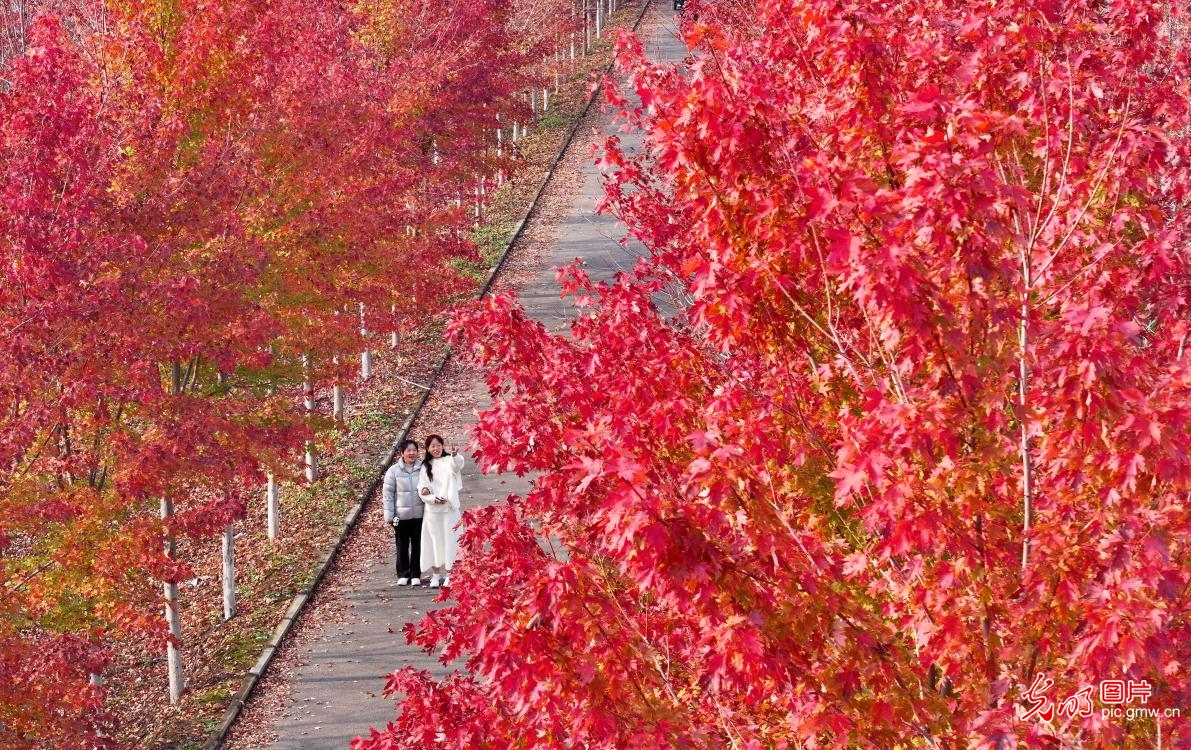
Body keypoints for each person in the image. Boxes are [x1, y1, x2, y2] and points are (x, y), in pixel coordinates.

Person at [417, 434, 464, 588]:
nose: (436, 448)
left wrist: (455, 455)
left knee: (451, 542)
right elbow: (422, 486)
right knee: (434, 542)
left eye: (438, 445)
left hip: (449, 510)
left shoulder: (449, 460)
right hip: (433, 512)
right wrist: (430, 496)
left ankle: (450, 574)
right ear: (427, 449)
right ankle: (436, 574)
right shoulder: (426, 466)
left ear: (442, 446)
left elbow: (457, 465)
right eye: (433, 446)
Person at [382, 439, 423, 586]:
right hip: (400, 516)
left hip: (420, 515)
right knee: (402, 545)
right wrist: (389, 515)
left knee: (418, 545)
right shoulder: (393, 471)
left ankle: (416, 573)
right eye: (408, 450)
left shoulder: (423, 468)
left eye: (414, 450)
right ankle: (403, 573)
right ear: (402, 453)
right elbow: (388, 495)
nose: (412, 453)